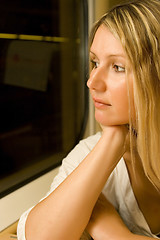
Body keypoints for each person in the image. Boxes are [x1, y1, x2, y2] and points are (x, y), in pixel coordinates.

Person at [17, 0, 160, 239]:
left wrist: (113, 232)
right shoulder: (89, 153)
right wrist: (113, 138)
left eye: (118, 67)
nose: (92, 82)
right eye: (94, 63)